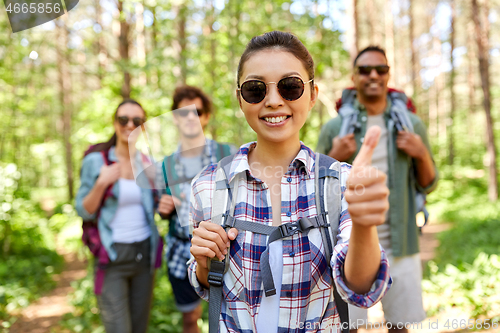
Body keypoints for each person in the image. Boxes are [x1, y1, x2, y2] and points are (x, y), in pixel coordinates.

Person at [187, 31, 392, 332]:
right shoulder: (208, 186)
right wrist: (206, 262)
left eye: (290, 87)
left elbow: (361, 290)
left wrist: (363, 224)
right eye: (256, 89)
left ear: (312, 96)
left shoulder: (341, 182)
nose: (272, 101)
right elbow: (205, 282)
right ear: (240, 99)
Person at [316, 46, 438, 332]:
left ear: (388, 75)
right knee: (348, 327)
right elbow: (313, 190)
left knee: (400, 326)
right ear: (354, 77)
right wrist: (334, 155)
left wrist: (420, 153)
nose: (373, 75)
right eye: (364, 70)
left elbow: (429, 184)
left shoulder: (411, 126)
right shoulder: (335, 129)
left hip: (402, 244)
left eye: (380, 69)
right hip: (346, 247)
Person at [75, 99, 161, 333]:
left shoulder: (147, 163)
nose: (129, 125)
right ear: (114, 122)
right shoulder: (97, 161)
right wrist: (101, 183)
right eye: (123, 119)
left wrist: (166, 203)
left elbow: (159, 207)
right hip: (111, 256)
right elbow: (83, 210)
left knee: (139, 327)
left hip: (144, 254)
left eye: (137, 120)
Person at [157, 86, 235, 333]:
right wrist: (164, 208)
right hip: (181, 251)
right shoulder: (166, 164)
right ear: (174, 118)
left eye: (197, 112)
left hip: (224, 249)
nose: (191, 117)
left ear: (206, 117)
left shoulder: (228, 155)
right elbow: (162, 206)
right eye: (183, 112)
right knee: (190, 319)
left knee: (227, 318)